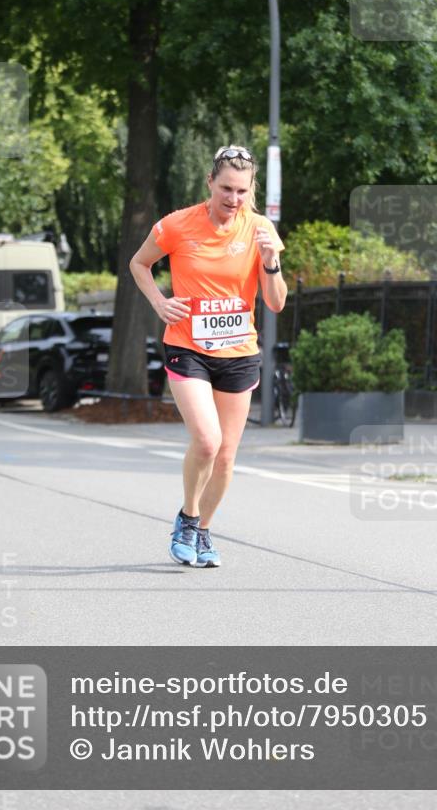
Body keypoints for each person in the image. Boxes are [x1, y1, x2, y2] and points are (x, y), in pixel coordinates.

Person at [129, 146, 287, 568]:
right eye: (225, 189)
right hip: (187, 346)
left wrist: (271, 264)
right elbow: (139, 264)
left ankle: (202, 530)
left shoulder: (259, 229)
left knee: (227, 454)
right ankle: (188, 516)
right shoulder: (178, 225)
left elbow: (275, 304)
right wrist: (160, 304)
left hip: (239, 352)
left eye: (241, 191)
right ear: (209, 184)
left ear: (251, 190)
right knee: (207, 440)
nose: (232, 199)